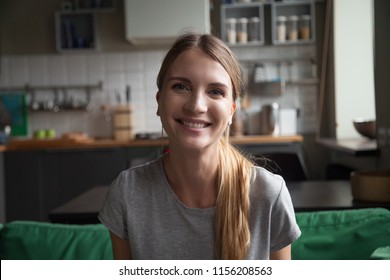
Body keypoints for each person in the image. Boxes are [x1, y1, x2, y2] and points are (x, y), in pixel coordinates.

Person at [98, 32, 301, 260]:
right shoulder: (127, 193)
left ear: (232, 111)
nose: (196, 106)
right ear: (159, 101)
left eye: (215, 91)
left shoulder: (268, 194)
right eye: (181, 87)